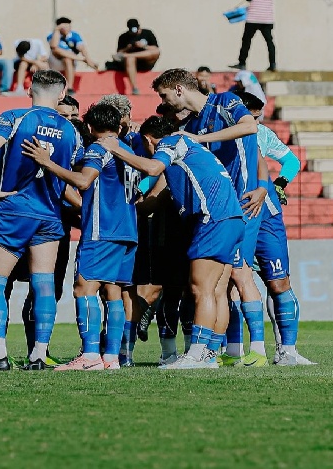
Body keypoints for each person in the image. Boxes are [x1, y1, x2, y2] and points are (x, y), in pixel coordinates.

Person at [99, 115, 242, 370]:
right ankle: (209, 354)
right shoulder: (191, 152)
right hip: (231, 219)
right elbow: (158, 193)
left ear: (148, 140)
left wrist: (117, 149)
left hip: (213, 219)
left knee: (201, 289)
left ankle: (196, 354)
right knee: (217, 291)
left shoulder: (172, 141)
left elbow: (153, 168)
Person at [153, 68, 270, 367]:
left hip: (242, 202)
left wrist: (263, 187)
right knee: (222, 284)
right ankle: (214, 352)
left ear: (178, 89)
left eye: (165, 95)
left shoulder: (224, 102)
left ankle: (257, 351)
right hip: (220, 205)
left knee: (240, 275)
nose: (164, 102)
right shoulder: (192, 124)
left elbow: (249, 128)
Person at [0, 70, 81, 371]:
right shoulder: (72, 131)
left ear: (30, 88)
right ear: (62, 93)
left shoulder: (14, 116)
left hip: (15, 208)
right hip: (50, 214)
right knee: (43, 282)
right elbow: (73, 171)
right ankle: (39, 355)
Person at [22, 102, 138, 370]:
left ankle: (89, 356)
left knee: (84, 288)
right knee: (114, 292)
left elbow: (84, 181)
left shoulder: (99, 148)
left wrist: (46, 162)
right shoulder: (127, 150)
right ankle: (110, 358)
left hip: (102, 231)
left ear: (89, 126)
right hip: (127, 231)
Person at [235, 90, 313, 365]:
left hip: (267, 214)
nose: (255, 121)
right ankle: (233, 351)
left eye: (257, 117)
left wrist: (279, 184)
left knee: (278, 282)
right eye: (253, 116)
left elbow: (291, 161)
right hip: (236, 213)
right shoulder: (220, 135)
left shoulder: (262, 134)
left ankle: (287, 351)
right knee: (232, 281)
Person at [230, 0, 276, 72]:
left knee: (246, 40)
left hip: (254, 17)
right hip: (267, 18)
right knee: (269, 42)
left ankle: (242, 62)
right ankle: (273, 64)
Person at [108, 18, 160, 96]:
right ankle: (134, 87)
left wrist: (144, 46)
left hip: (146, 61)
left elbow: (156, 49)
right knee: (130, 58)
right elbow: (119, 54)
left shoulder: (148, 33)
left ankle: (129, 55)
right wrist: (128, 48)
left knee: (156, 52)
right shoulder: (123, 37)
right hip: (131, 65)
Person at [48, 17, 100, 91]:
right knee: (57, 50)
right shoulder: (52, 35)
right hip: (56, 61)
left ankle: (69, 87)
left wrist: (88, 60)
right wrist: (56, 30)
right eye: (64, 27)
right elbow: (54, 46)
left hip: (70, 61)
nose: (67, 29)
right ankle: (81, 59)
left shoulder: (74, 35)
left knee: (68, 58)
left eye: (68, 26)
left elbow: (81, 47)